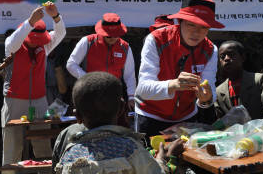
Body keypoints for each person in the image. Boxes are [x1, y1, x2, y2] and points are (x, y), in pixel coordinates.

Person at [53, 71, 184, 174]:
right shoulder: (130, 149)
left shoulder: (69, 154)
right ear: (122, 109)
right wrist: (164, 158)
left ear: (77, 116)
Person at [135, 0, 224, 138]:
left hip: (187, 117)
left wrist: (205, 99)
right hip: (150, 115)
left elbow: (209, 92)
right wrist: (173, 84)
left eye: (204, 27)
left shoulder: (210, 50)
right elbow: (142, 89)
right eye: (191, 24)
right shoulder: (156, 40)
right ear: (180, 21)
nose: (196, 32)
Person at [2, 2, 66, 165]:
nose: (38, 43)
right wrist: (30, 22)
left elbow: (60, 33)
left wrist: (56, 17)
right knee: (13, 146)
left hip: (39, 101)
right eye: (34, 40)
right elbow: (15, 39)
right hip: (15, 100)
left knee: (43, 146)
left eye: (41, 39)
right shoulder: (13, 45)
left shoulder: (44, 45)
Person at [66, 13, 136, 115]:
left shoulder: (125, 47)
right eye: (108, 36)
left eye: (115, 35)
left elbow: (130, 75)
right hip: (89, 93)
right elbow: (71, 64)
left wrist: (131, 97)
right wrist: (88, 79)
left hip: (114, 96)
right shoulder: (87, 41)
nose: (112, 38)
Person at [214, 40, 263, 120]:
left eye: (231, 54)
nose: (226, 58)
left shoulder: (258, 80)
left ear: (243, 57)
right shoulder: (218, 91)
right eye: (222, 56)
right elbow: (219, 120)